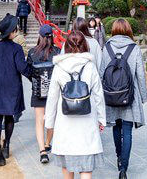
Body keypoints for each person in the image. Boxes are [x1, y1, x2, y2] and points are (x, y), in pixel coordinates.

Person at [44, 30, 106, 178]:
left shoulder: (59, 67)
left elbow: (52, 97)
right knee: (86, 168)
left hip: (65, 124)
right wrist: (101, 119)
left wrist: (50, 123)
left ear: (67, 46)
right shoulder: (90, 66)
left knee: (67, 166)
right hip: (87, 121)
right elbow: (98, 95)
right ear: (85, 45)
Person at [99, 18, 147, 179]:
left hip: (111, 94)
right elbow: (140, 74)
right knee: (127, 131)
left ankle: (119, 157)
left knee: (116, 126)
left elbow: (101, 73)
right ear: (128, 30)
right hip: (129, 95)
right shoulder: (134, 48)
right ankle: (124, 169)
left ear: (113, 30)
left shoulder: (106, 48)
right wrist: (143, 96)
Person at [0, 13, 31, 166]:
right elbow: (22, 68)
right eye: (15, 29)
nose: (16, 31)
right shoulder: (16, 48)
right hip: (12, 87)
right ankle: (6, 145)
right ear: (11, 32)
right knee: (9, 117)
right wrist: (35, 76)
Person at [26, 24, 61, 164]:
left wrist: (36, 81)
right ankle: (47, 143)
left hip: (38, 90)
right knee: (51, 119)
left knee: (39, 121)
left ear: (39, 37)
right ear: (52, 36)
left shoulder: (32, 52)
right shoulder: (58, 52)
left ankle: (42, 152)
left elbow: (29, 72)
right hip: (53, 91)